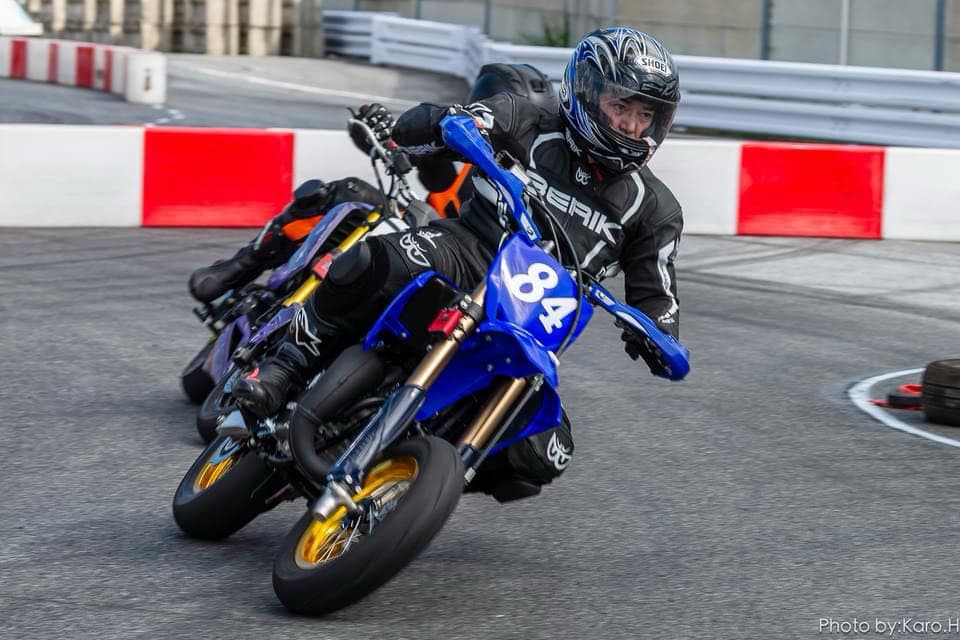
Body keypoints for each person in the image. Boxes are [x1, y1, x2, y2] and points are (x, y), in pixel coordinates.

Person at [233, 27, 684, 501]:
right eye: (621, 106)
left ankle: (414, 476)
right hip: (467, 250)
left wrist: (660, 336)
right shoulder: (525, 118)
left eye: (646, 114)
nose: (632, 125)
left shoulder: (656, 209)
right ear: (587, 93)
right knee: (373, 260)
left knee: (545, 453)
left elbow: (657, 296)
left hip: (538, 316)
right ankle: (285, 365)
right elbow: (432, 129)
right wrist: (446, 125)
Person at [187, 64, 557, 305]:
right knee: (348, 195)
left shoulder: (550, 190)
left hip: (473, 288)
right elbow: (422, 159)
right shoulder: (460, 151)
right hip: (418, 243)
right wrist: (381, 134)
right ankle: (242, 265)